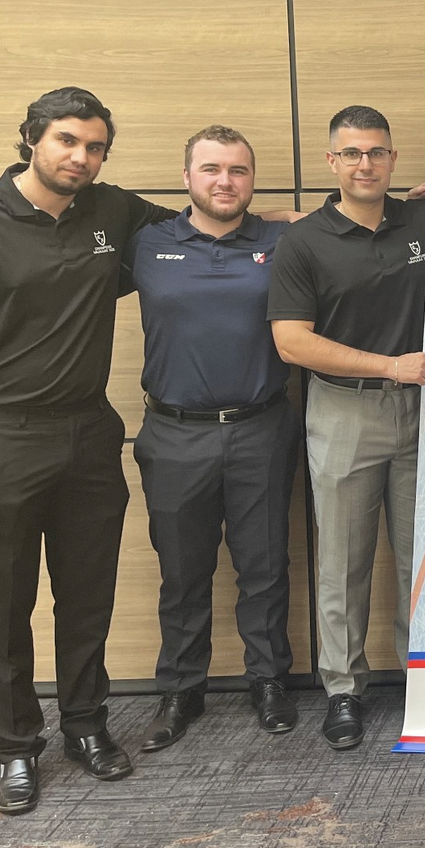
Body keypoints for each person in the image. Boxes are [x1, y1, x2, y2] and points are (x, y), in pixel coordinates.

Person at [0, 87, 179, 814]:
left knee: (86, 595)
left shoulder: (113, 211)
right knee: (5, 604)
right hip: (2, 435)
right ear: (33, 138)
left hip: (88, 433)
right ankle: (15, 748)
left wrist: (315, 220)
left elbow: (210, 227)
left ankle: (85, 726)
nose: (82, 156)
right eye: (68, 140)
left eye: (96, 146)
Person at [125, 125, 300, 753]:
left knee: (264, 566)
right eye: (211, 170)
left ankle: (269, 681)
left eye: (238, 171)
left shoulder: (283, 240)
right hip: (173, 433)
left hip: (261, 427)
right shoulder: (145, 243)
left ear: (252, 180)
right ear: (187, 177)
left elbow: (348, 226)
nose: (225, 181)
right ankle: (180, 690)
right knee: (182, 571)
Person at [269, 106, 425, 750]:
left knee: (424, 558)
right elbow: (291, 343)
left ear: (393, 159)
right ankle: (343, 690)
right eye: (352, 154)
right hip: (342, 411)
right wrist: (390, 365)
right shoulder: (304, 241)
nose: (366, 164)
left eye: (378, 152)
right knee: (341, 558)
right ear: (332, 162)